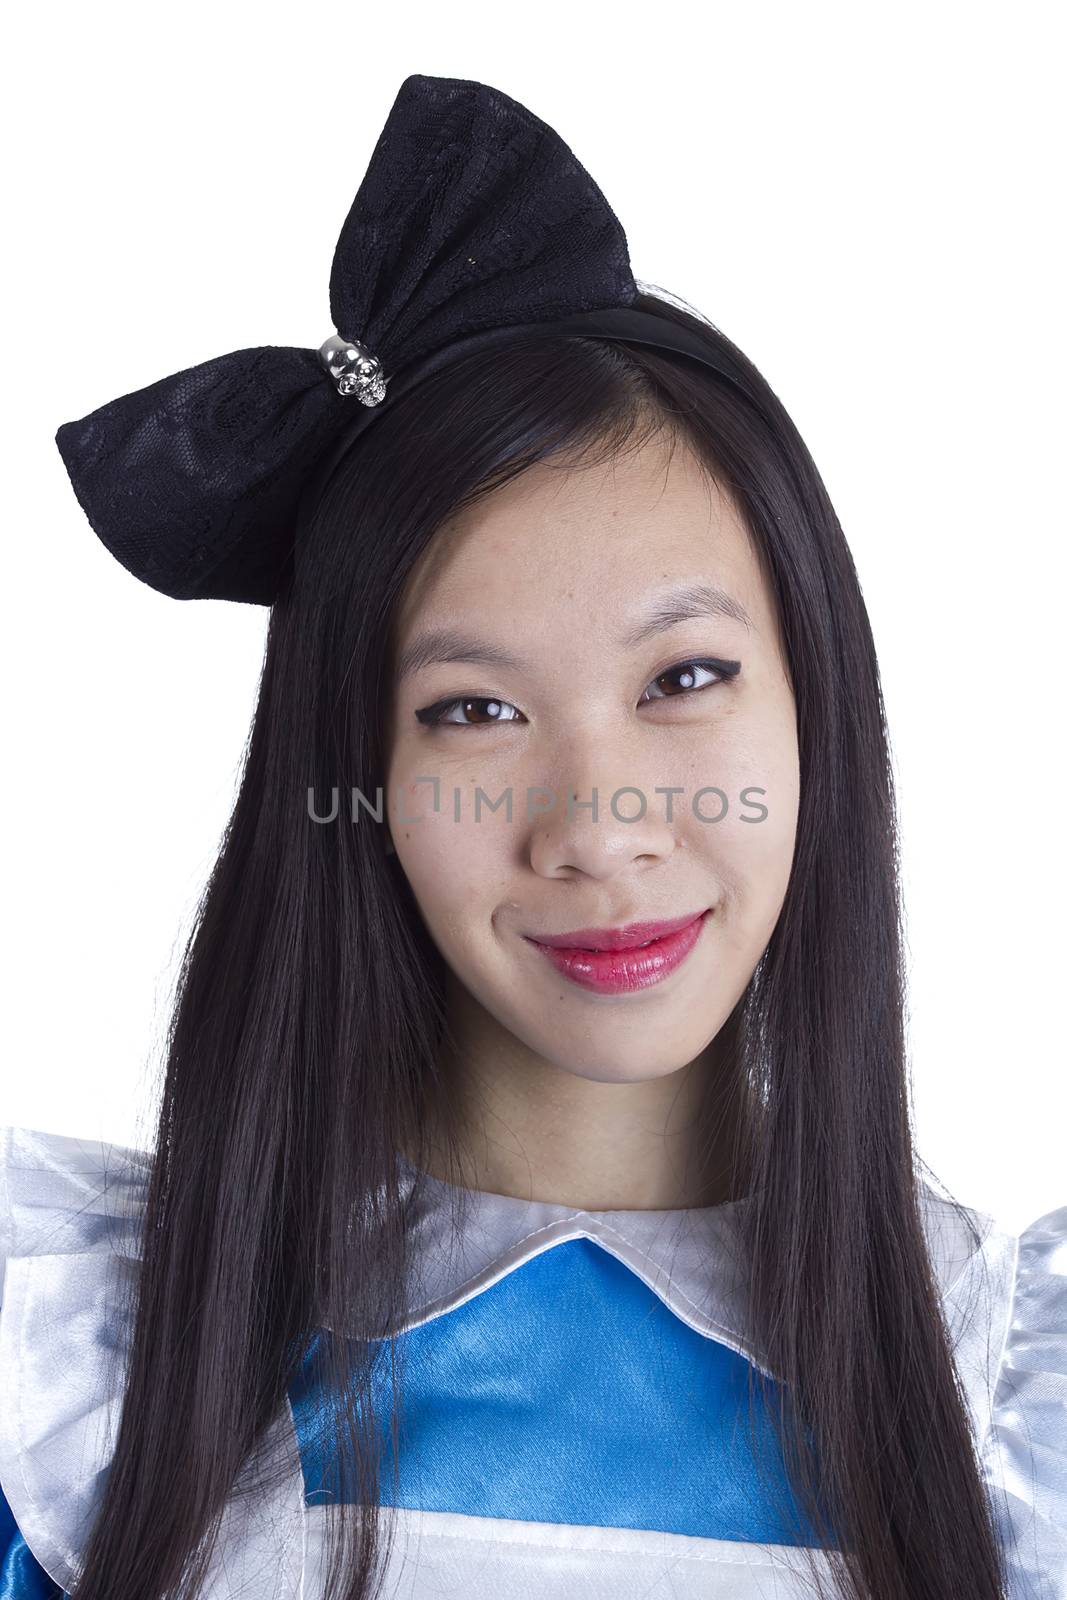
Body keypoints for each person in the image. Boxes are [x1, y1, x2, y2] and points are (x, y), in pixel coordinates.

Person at [1, 73, 1064, 1600]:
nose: (599, 828)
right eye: (473, 715)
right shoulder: (73, 1385)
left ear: (819, 700)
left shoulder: (1014, 1418)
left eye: (684, 680)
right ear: (351, 771)